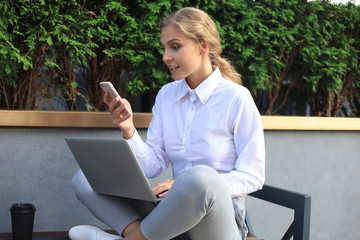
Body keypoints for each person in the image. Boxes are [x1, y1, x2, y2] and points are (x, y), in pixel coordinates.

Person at [69, 7, 265, 240]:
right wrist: (129, 130)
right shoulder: (166, 95)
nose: (165, 56)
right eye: (164, 48)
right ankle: (136, 235)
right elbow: (153, 166)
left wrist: (188, 187)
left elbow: (253, 175)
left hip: (218, 220)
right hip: (171, 214)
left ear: (203, 46)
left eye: (175, 46)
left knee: (201, 178)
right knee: (85, 177)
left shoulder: (236, 98)